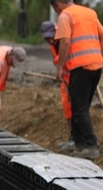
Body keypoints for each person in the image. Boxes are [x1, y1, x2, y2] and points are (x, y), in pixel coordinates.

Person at [50, 0, 103, 160]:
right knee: (80, 107)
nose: (57, 13)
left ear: (58, 6)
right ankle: (78, 143)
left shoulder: (65, 16)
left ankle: (91, 146)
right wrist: (98, 55)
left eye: (56, 10)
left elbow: (65, 42)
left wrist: (60, 67)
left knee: (79, 108)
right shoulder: (89, 12)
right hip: (96, 66)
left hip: (80, 68)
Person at [41, 20, 74, 151]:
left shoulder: (64, 40)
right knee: (67, 107)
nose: (50, 40)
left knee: (77, 107)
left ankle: (80, 139)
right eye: (47, 38)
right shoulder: (53, 44)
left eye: (51, 36)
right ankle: (73, 137)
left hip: (74, 78)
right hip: (64, 79)